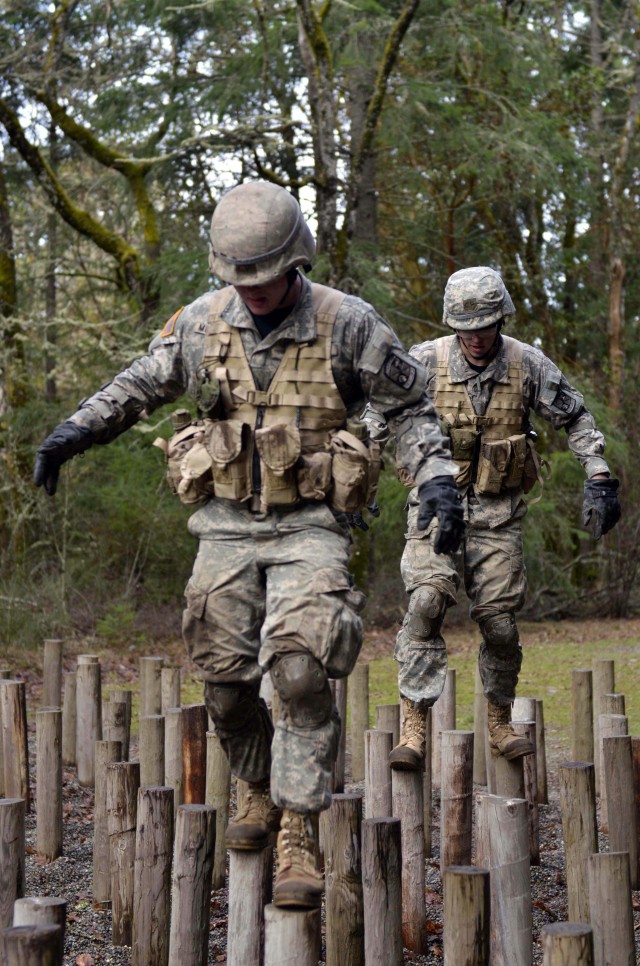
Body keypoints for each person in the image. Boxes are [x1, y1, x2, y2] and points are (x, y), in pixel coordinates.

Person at [33, 181, 464, 909]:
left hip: (313, 524)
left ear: (294, 262)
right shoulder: (201, 324)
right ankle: (257, 786)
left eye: (266, 277)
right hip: (227, 522)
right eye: (241, 279)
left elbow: (412, 409)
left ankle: (298, 827)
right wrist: (77, 429)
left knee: (298, 670)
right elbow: (142, 380)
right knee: (224, 683)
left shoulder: (349, 324)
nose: (255, 292)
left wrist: (438, 480)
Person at [374, 265, 621, 771]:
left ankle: (499, 719)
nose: (477, 339)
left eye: (485, 327)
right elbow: (378, 418)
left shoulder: (527, 364)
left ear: (501, 319)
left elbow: (574, 416)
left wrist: (598, 475)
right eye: (467, 329)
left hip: (498, 514)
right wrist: (351, 487)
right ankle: (414, 722)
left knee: (502, 625)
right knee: (426, 602)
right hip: (432, 508)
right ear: (453, 325)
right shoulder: (423, 362)